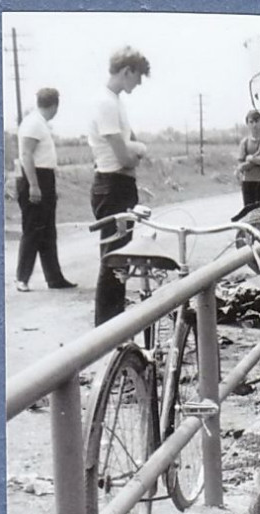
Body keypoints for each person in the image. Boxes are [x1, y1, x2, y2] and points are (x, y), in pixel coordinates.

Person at [87, 47, 150, 325]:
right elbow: (124, 157)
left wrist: (133, 148)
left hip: (119, 185)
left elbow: (128, 146)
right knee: (113, 260)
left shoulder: (114, 101)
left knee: (120, 260)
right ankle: (105, 331)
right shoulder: (106, 103)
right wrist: (138, 149)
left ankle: (113, 327)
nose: (137, 86)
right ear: (127, 71)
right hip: (112, 186)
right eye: (137, 78)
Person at [15, 88, 76, 292]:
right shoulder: (33, 123)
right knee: (33, 230)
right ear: (55, 105)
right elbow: (26, 154)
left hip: (45, 179)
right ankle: (21, 278)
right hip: (35, 178)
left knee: (48, 231)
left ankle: (54, 278)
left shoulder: (40, 123)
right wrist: (33, 185)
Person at [235, 110, 260, 209]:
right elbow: (241, 167)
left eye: (257, 121)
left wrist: (251, 159)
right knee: (251, 214)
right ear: (247, 124)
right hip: (249, 185)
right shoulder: (244, 143)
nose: (254, 125)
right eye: (251, 122)